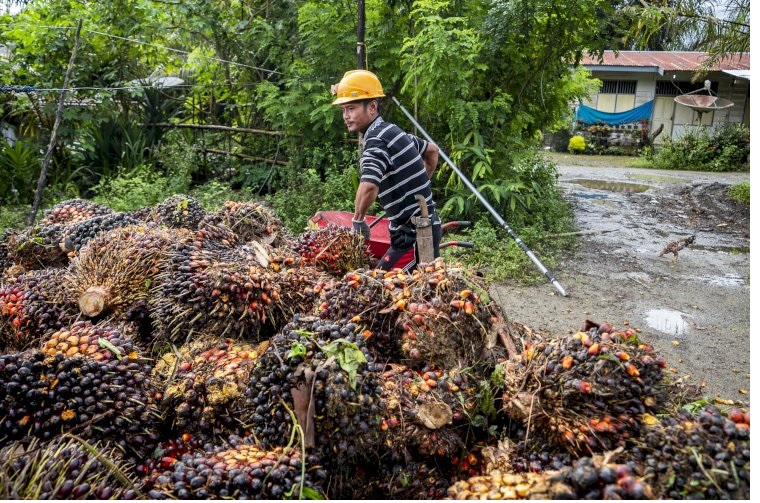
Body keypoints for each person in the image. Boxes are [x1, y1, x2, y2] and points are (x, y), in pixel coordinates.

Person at [331, 69, 441, 271]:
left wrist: (358, 221)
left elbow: (369, 186)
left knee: (378, 285)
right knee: (415, 286)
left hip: (414, 236)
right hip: (421, 227)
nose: (346, 116)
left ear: (372, 107)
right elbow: (432, 151)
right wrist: (419, 187)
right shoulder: (393, 132)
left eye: (351, 108)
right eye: (343, 110)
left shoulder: (375, 141)